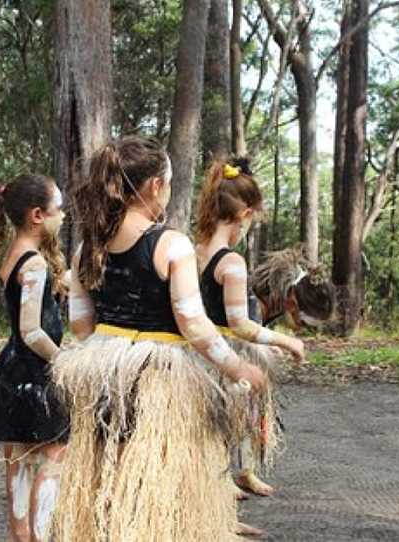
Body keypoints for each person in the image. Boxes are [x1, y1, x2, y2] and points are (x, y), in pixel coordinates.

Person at [50, 136, 266, 541]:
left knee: (107, 479)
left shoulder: (88, 245)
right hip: (159, 383)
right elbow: (193, 323)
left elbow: (81, 325)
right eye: (167, 181)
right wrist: (237, 366)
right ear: (154, 186)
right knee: (160, 486)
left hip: (102, 379)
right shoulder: (171, 244)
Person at [194, 158, 305, 503]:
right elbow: (240, 324)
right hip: (224, 351)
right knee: (224, 415)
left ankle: (244, 471)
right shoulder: (231, 262)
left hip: (197, 347)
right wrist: (285, 340)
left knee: (245, 412)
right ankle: (222, 475)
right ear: (244, 215)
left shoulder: (192, 251)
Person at [0, 174, 70, 542]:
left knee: (18, 459)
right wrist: (63, 359)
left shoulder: (14, 252)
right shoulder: (33, 263)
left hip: (13, 369)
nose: (62, 216)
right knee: (53, 457)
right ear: (37, 215)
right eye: (58, 209)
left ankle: (20, 535)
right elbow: (32, 331)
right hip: (35, 375)